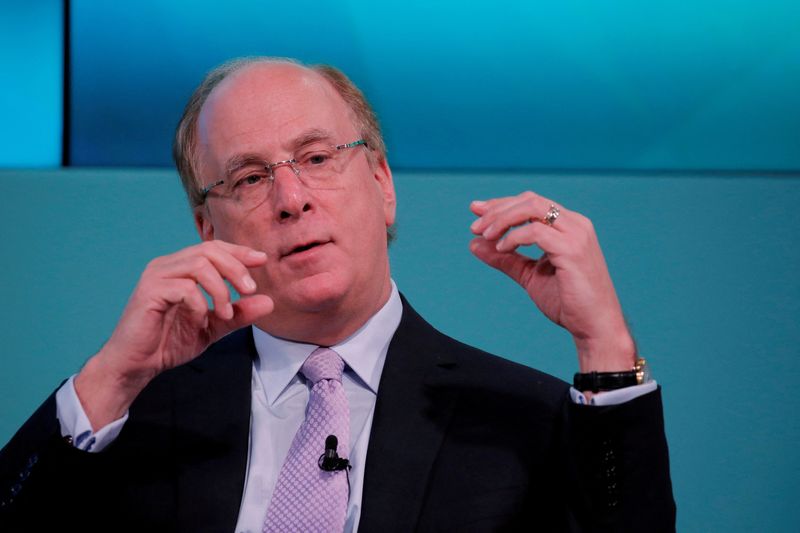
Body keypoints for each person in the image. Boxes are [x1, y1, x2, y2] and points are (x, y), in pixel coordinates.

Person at [0, 57, 675, 532]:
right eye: (251, 177)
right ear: (208, 228)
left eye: (318, 158)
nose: (293, 200)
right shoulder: (130, 423)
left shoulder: (522, 418)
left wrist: (606, 349)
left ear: (383, 184)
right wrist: (111, 379)